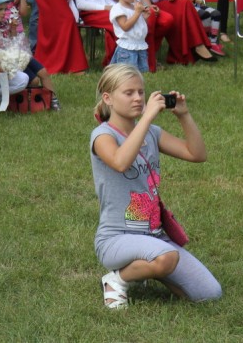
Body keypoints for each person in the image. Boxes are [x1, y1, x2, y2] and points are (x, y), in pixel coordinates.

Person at [90, 64, 222, 309]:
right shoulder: (103, 135)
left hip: (154, 236)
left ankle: (152, 267)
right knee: (167, 256)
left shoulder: (151, 133)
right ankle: (116, 279)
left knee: (209, 293)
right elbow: (120, 162)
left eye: (140, 92)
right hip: (116, 238)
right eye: (128, 93)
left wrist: (183, 115)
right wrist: (148, 116)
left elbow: (197, 154)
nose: (138, 98)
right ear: (108, 98)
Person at [0, 0, 61, 110]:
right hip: (6, 62)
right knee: (33, 80)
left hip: (18, 56)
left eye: (5, 10)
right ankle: (21, 104)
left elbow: (12, 40)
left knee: (43, 72)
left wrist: (12, 29)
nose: (3, 13)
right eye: (0, 9)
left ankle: (51, 99)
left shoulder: (4, 24)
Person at [109, 0, 149, 73]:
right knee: (127, 75)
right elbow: (125, 26)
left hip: (140, 45)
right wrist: (137, 13)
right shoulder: (118, 8)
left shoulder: (134, 7)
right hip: (127, 48)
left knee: (142, 74)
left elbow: (138, 25)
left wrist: (145, 17)